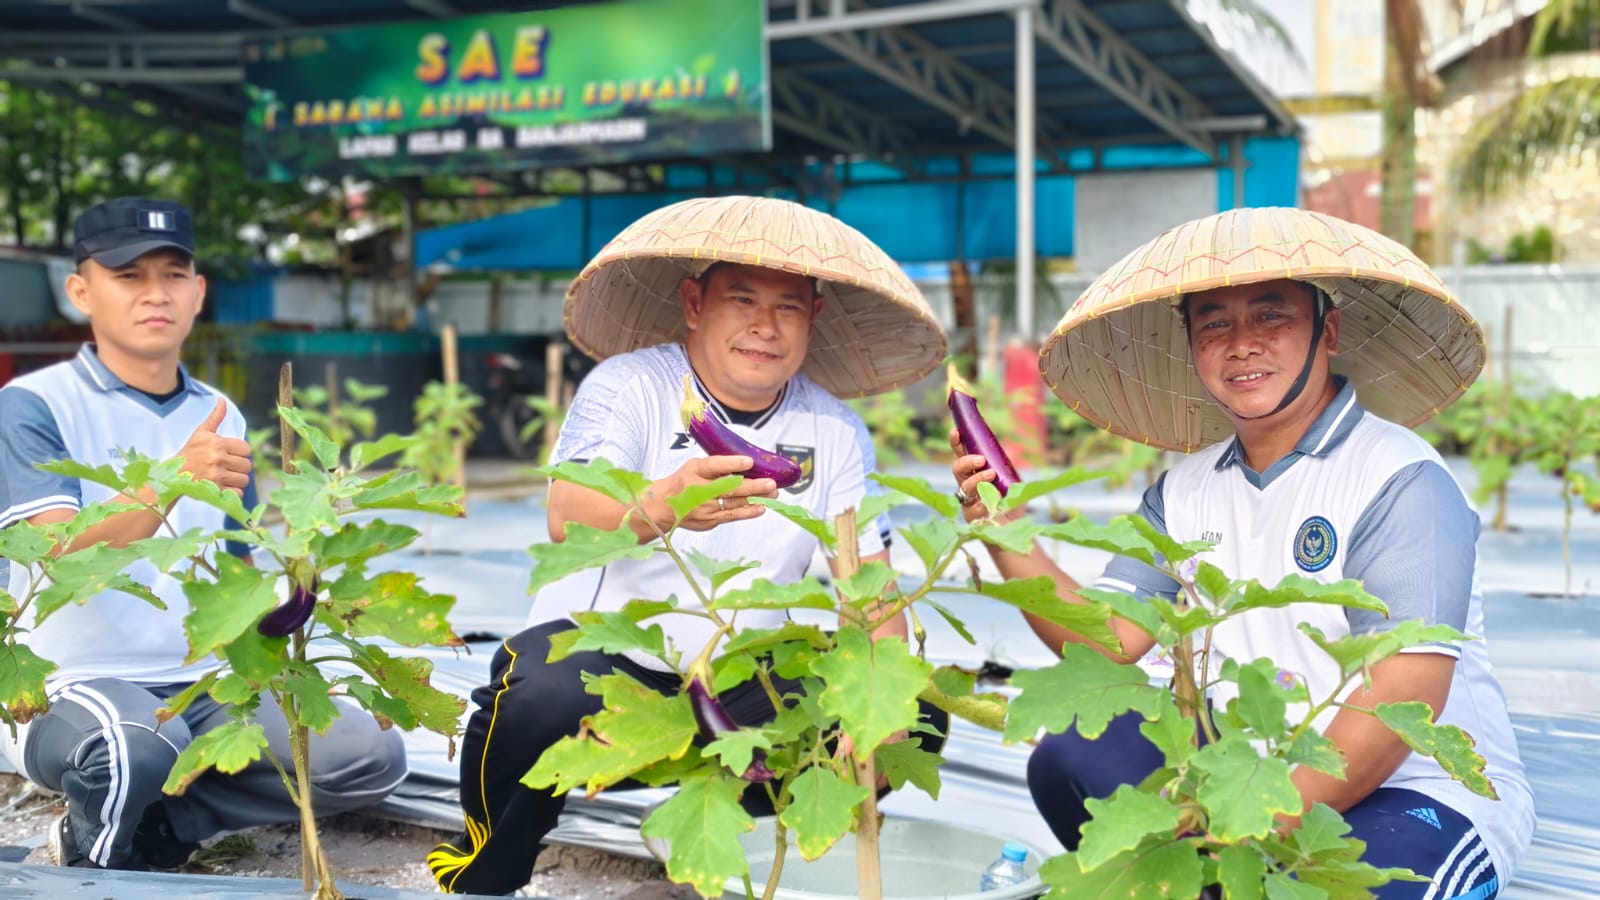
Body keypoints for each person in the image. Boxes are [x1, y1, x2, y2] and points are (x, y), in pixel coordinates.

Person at [951, 208, 1534, 897]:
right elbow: (1107, 638)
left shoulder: (1399, 478)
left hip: (1411, 787)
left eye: (1271, 316)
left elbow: (1405, 691)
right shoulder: (1184, 490)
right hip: (1242, 772)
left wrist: (1258, 823)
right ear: (1192, 348)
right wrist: (1004, 530)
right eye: (1214, 324)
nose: (1242, 345)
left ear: (1329, 330)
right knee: (1072, 756)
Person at [427, 195, 952, 895]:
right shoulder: (630, 386)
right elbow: (566, 515)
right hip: (607, 658)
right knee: (532, 700)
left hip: (744, 675)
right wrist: (659, 506)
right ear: (695, 302)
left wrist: (879, 703)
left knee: (916, 713)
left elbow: (871, 585)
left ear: (814, 318)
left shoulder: (835, 429)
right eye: (743, 300)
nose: (765, 327)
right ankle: (485, 872)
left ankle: (729, 848)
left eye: (789, 307)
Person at [0, 197, 407, 871]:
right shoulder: (34, 406)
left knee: (363, 758)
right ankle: (92, 864)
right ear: (80, 291)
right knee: (131, 750)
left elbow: (234, 567)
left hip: (207, 682)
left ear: (198, 293)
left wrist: (300, 613)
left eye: (174, 274)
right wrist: (172, 480)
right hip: (76, 684)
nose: (155, 294)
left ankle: (168, 821)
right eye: (128, 276)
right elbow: (54, 547)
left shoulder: (219, 415)